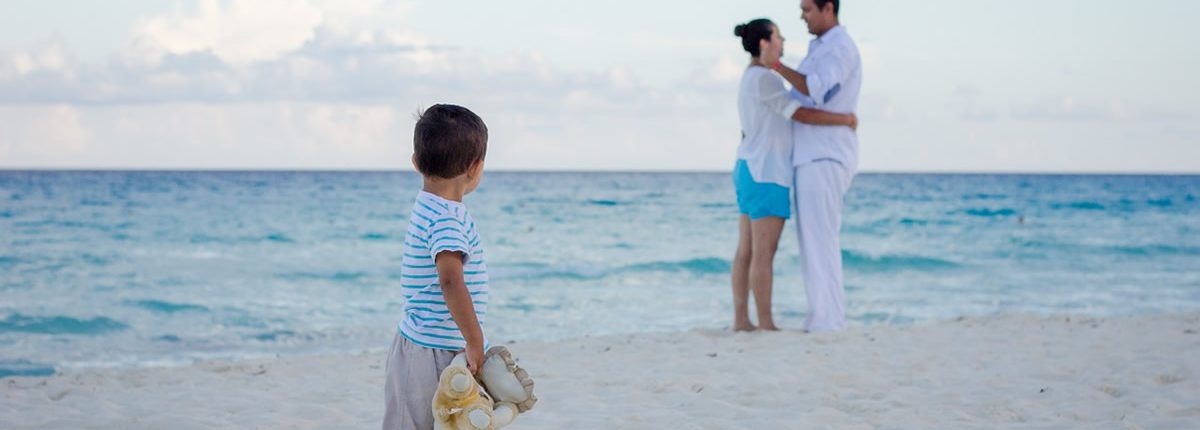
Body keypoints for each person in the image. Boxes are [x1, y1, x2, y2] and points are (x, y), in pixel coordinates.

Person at [731, 18, 857, 332]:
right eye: (779, 37)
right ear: (765, 43)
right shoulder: (766, 79)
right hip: (767, 171)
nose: (783, 42)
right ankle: (766, 324)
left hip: (747, 166)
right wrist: (844, 119)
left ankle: (742, 321)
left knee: (746, 250)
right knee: (764, 252)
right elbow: (799, 113)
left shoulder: (749, 77)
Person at [383, 104, 491, 430]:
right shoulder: (447, 218)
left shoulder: (430, 205)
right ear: (475, 167)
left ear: (416, 163)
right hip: (428, 353)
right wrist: (475, 339)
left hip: (433, 346)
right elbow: (451, 282)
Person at [765, 0, 863, 332]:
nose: (802, 16)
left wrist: (777, 67)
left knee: (821, 241)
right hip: (811, 155)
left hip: (824, 155)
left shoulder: (839, 49)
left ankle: (829, 322)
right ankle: (822, 317)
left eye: (807, 9)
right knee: (813, 242)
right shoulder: (822, 48)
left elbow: (817, 91)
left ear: (828, 8)